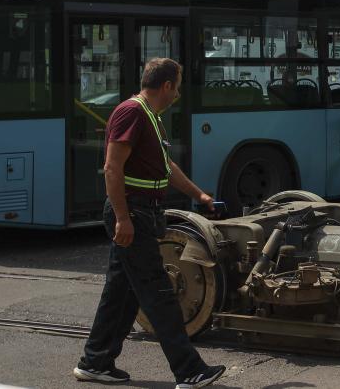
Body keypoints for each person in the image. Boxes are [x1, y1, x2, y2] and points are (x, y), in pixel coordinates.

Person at [75, 58, 226, 388]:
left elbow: (166, 167)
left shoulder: (150, 117)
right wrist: (123, 218)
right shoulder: (132, 113)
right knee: (158, 291)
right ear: (167, 85)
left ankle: (95, 361)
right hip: (133, 212)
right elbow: (112, 168)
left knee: (122, 291)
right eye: (178, 87)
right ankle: (189, 370)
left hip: (142, 211)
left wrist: (199, 195)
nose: (178, 95)